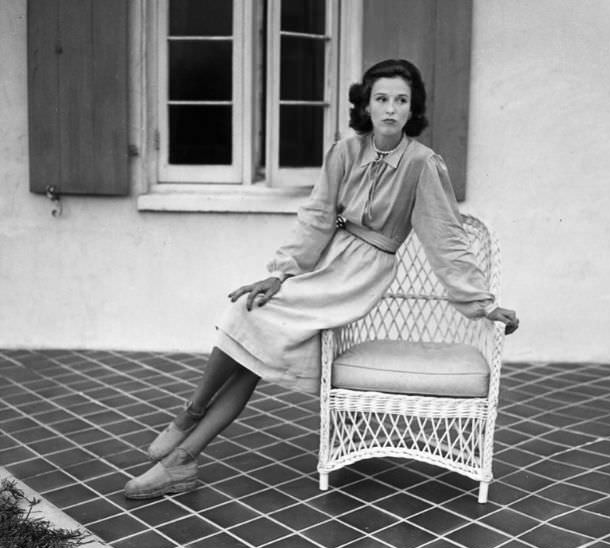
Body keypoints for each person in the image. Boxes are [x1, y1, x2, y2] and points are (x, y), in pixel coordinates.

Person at [123, 59, 519, 500]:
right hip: (326, 262)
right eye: (382, 99)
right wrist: (282, 274)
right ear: (366, 106)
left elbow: (446, 238)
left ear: (413, 110)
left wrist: (482, 303)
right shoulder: (344, 152)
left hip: (359, 276)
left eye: (401, 101)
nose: (391, 109)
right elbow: (316, 217)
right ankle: (187, 432)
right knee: (248, 311)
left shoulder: (423, 165)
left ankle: (185, 445)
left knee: (254, 330)